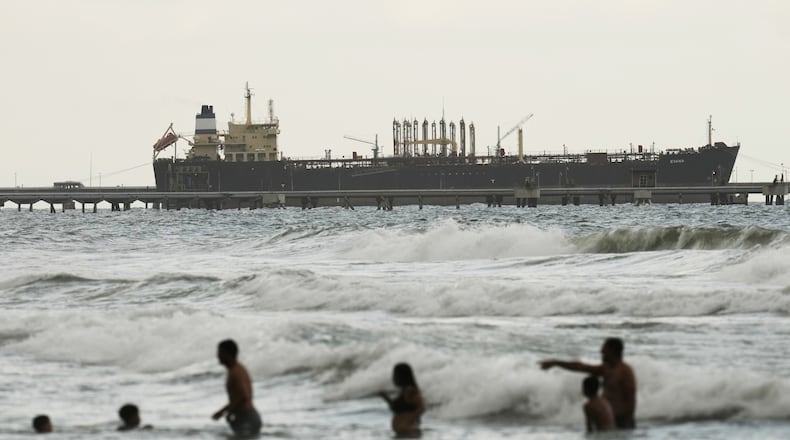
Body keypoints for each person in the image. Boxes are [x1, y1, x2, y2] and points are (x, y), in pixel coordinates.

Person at [540, 337, 637, 429]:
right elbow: (581, 367)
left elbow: (631, 403)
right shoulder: (607, 368)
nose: (601, 352)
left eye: (604, 350)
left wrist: (623, 424)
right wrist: (556, 363)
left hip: (622, 423)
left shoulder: (625, 372)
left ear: (613, 351)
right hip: (608, 420)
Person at [212, 339, 262, 437]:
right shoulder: (235, 370)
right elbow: (238, 397)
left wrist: (228, 411)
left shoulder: (236, 371)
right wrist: (222, 412)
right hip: (245, 417)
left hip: (246, 418)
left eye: (219, 352)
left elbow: (244, 396)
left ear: (227, 354)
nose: (217, 356)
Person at [379, 363, 425, 437]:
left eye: (395, 375)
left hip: (410, 433)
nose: (393, 378)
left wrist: (407, 421)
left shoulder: (411, 391)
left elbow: (421, 408)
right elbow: (397, 409)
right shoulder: (403, 391)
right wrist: (385, 397)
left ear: (402, 376)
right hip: (402, 433)